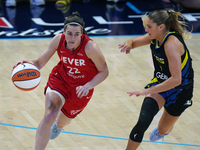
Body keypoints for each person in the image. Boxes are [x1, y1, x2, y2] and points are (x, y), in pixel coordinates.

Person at [14, 11, 109, 150]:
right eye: (69, 33)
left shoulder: (90, 47)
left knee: (61, 122)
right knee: (49, 115)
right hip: (61, 79)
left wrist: (89, 85)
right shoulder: (58, 40)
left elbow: (104, 71)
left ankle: (59, 126)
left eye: (77, 34)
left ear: (82, 34)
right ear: (63, 32)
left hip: (81, 88)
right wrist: (28, 64)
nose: (72, 38)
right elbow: (40, 62)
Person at [119, 9, 194, 150]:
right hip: (161, 84)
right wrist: (128, 44)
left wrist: (145, 90)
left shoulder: (171, 43)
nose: (145, 29)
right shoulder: (154, 36)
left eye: (149, 26)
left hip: (181, 90)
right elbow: (133, 41)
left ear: (161, 27)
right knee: (143, 121)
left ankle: (164, 131)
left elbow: (176, 80)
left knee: (162, 129)